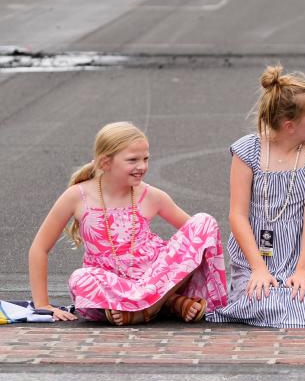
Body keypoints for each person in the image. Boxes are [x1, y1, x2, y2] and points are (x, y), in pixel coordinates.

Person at [29, 122, 227, 324]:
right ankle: (168, 302)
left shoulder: (151, 195)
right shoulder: (77, 196)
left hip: (154, 279)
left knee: (204, 222)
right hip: (112, 289)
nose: (142, 166)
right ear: (106, 163)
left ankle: (148, 308)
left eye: (145, 159)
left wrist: (170, 274)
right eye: (133, 160)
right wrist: (43, 304)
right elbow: (39, 248)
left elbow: (196, 242)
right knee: (80, 279)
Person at [207, 66, 305, 328]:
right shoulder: (246, 151)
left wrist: (303, 269)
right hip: (255, 254)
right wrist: (258, 268)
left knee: (303, 306)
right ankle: (253, 281)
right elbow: (237, 215)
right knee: (260, 300)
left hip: (299, 253)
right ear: (289, 125)